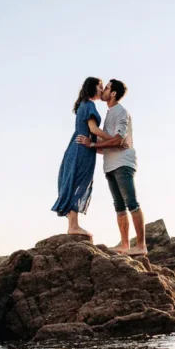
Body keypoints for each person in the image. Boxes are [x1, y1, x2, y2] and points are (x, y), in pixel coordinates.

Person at [76, 79, 147, 256]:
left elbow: (118, 140)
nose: (103, 91)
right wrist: (91, 144)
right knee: (119, 206)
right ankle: (124, 244)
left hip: (123, 163)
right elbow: (109, 143)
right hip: (110, 166)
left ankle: (141, 245)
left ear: (113, 93)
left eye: (106, 88)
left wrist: (94, 145)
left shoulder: (121, 112)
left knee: (131, 202)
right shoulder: (109, 114)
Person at [51, 77, 119, 237]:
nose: (102, 89)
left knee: (74, 182)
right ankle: (73, 226)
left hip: (76, 148)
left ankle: (72, 225)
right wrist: (113, 139)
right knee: (79, 182)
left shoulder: (83, 104)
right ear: (92, 88)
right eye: (100, 86)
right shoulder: (89, 105)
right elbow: (93, 129)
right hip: (81, 150)